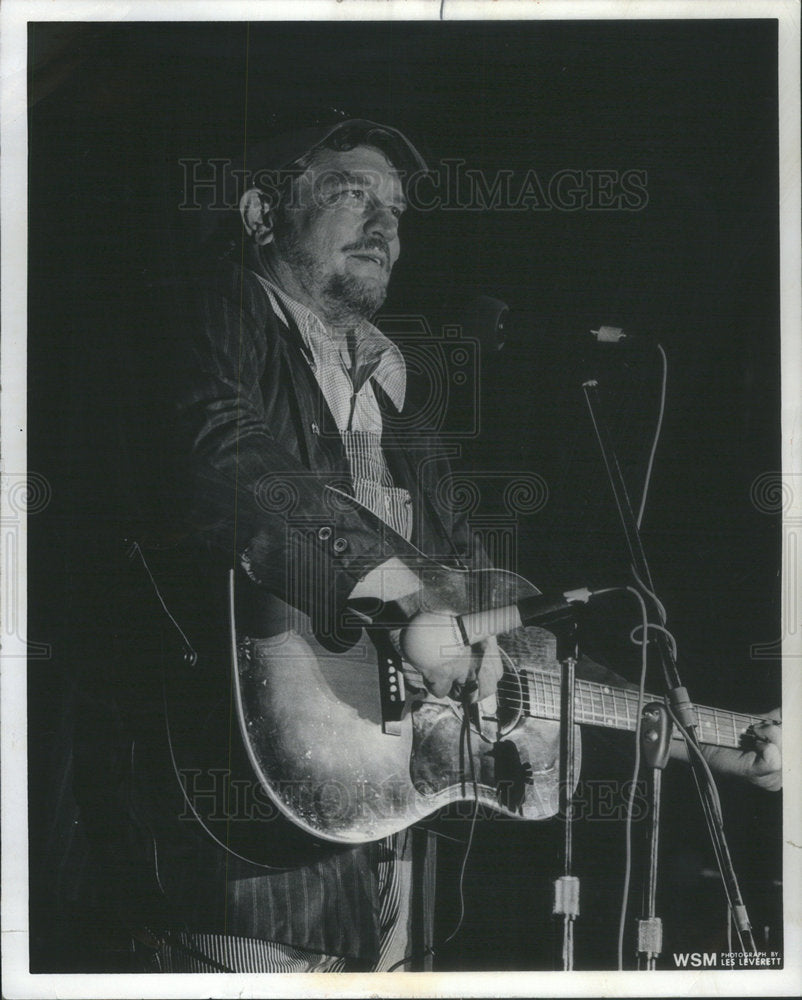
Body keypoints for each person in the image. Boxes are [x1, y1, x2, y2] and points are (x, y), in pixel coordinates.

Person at [72, 114, 781, 976]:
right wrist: (409, 596)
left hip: (388, 860)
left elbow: (500, 630)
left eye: (398, 210)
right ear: (260, 214)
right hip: (235, 869)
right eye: (350, 194)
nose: (385, 226)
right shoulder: (206, 302)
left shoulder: (399, 398)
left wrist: (715, 741)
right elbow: (221, 452)